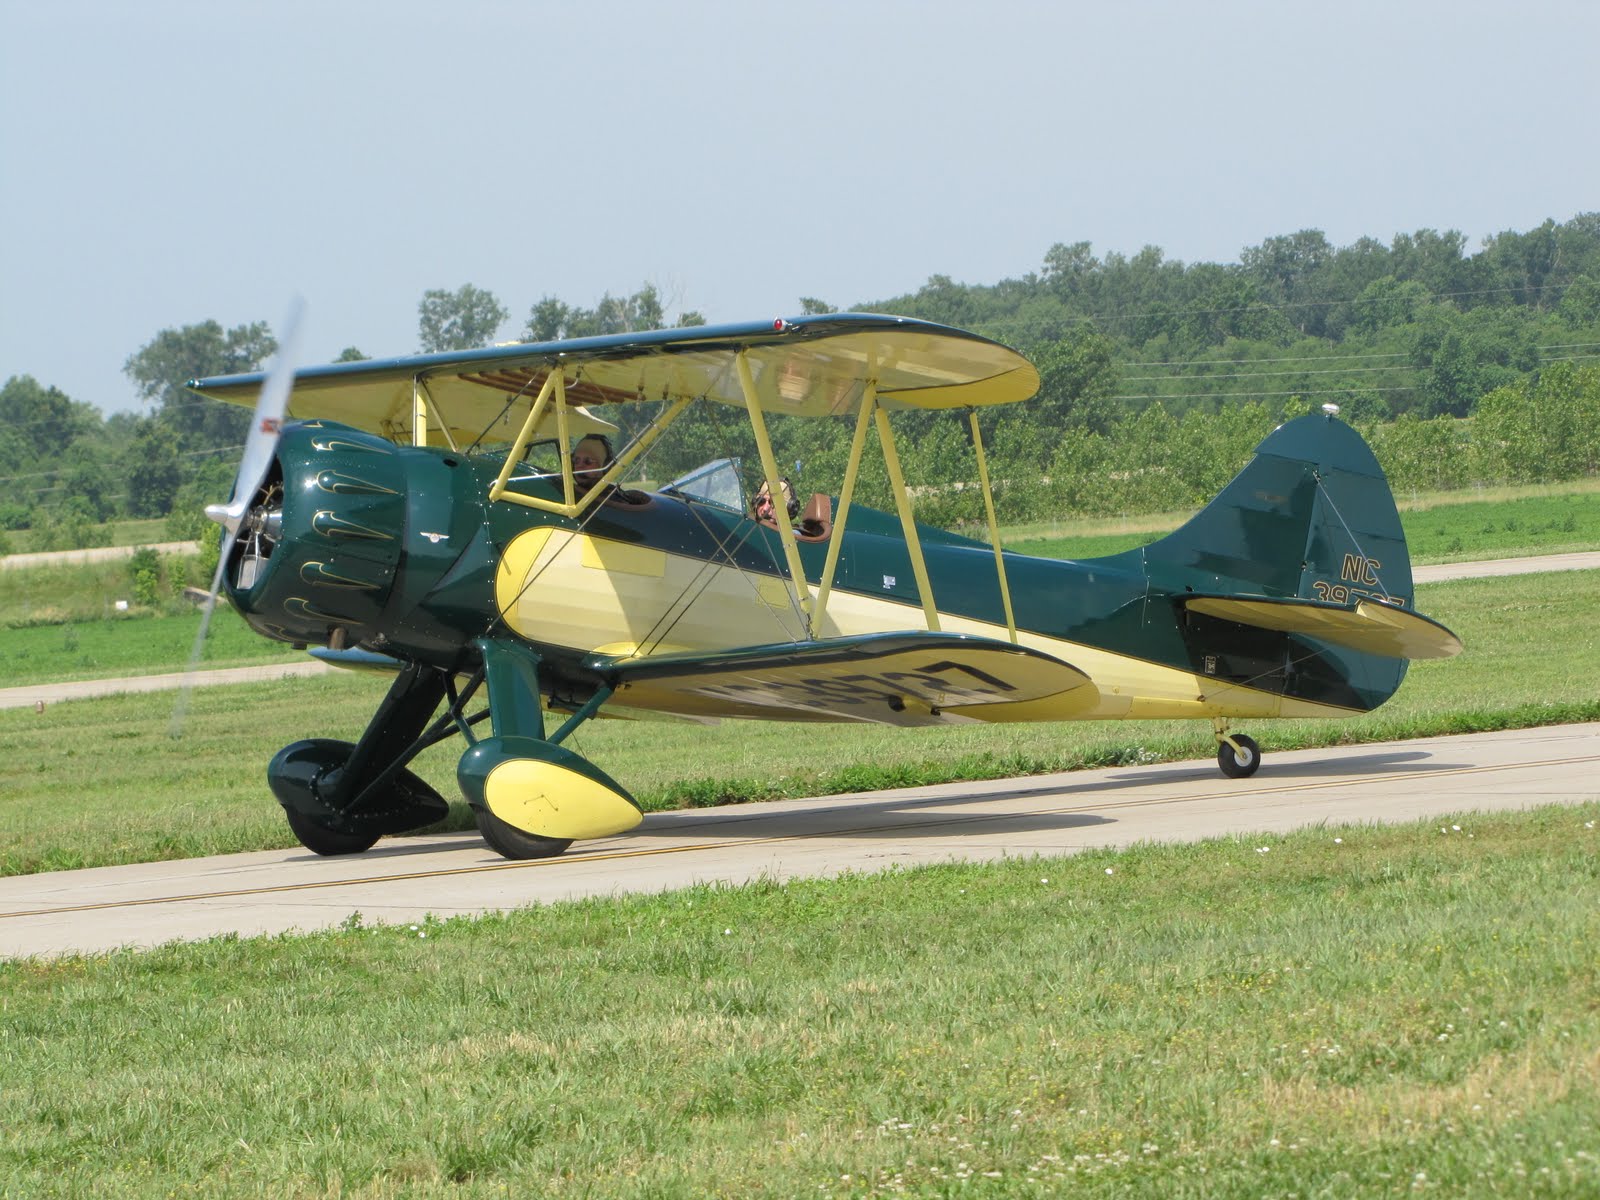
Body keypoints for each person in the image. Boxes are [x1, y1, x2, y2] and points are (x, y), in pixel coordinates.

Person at [570, 434, 614, 500]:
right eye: (576, 461)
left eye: (588, 461)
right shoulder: (567, 494)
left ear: (606, 466)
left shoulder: (613, 499)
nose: (580, 466)